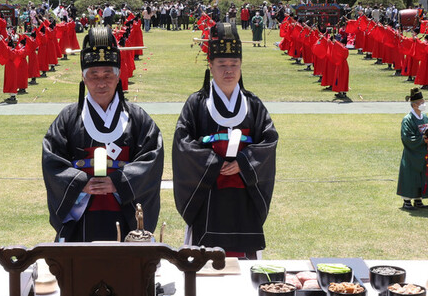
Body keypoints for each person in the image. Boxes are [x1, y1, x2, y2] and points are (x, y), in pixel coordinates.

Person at [42, 27, 163, 242]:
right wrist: (79, 183)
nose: (101, 82)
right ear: (84, 79)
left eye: (108, 75)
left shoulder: (137, 118)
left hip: (124, 214)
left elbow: (151, 159)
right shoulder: (68, 118)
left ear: (118, 77)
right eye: (93, 75)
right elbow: (52, 161)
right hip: (82, 215)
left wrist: (120, 181)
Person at [172, 24, 279, 258]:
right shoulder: (197, 104)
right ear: (210, 66)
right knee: (206, 263)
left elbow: (269, 140)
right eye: (221, 65)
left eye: (234, 65)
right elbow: (183, 143)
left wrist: (243, 162)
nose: (228, 71)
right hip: (209, 195)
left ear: (241, 67)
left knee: (245, 261)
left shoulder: (253, 104)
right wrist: (212, 163)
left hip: (244, 197)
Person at [396, 87, 428, 210]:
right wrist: (422, 140)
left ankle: (418, 199)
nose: (423, 104)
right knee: (411, 176)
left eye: (423, 101)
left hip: (425, 153)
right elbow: (407, 137)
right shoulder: (407, 119)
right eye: (420, 102)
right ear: (414, 105)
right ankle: (407, 200)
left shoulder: (425, 117)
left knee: (422, 176)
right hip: (413, 154)